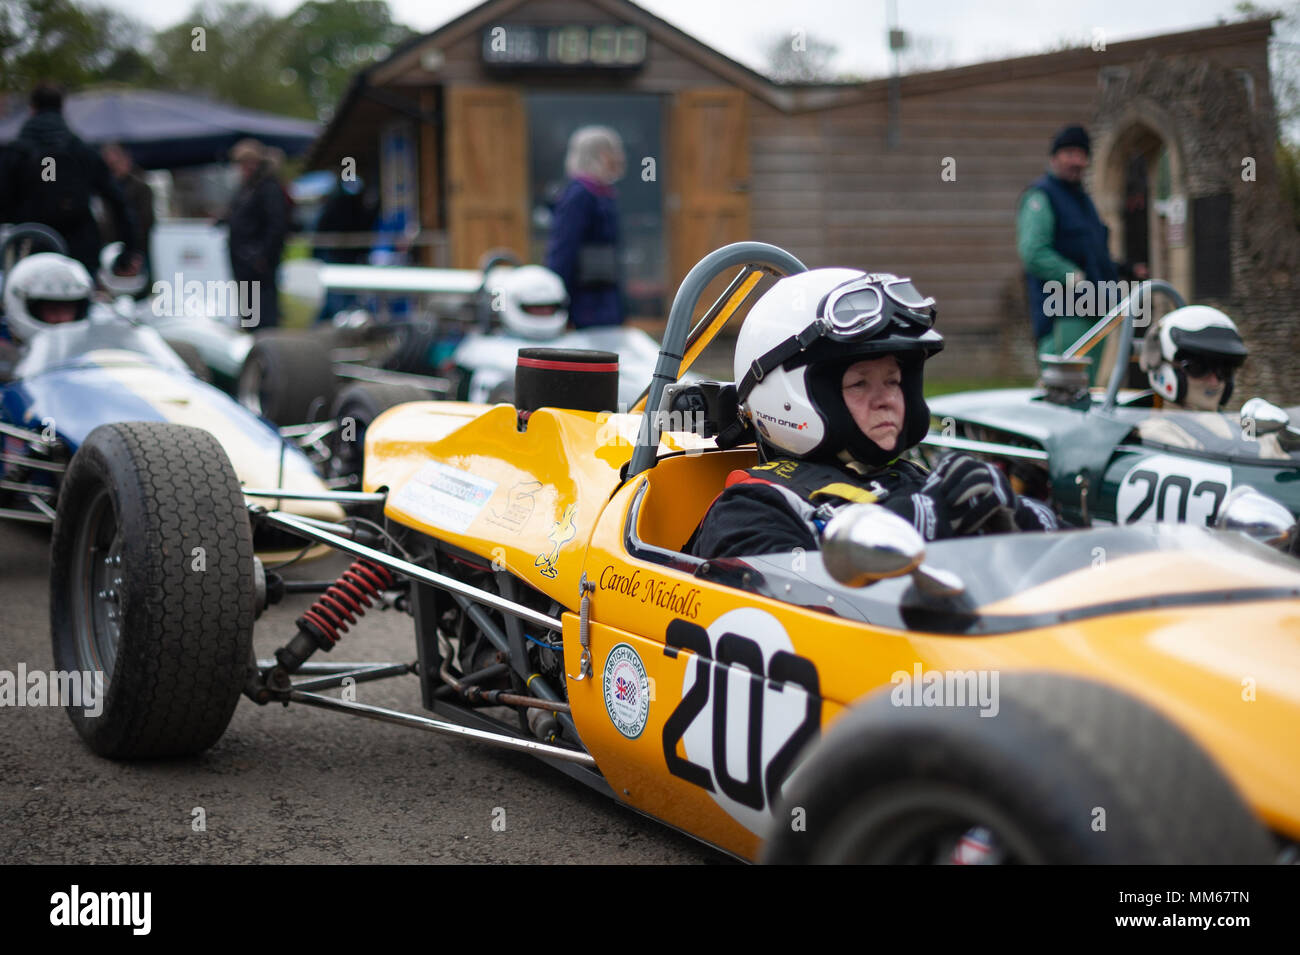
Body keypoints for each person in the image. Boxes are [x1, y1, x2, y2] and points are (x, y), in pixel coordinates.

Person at [687, 269, 1057, 560]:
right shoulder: (752, 508)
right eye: (860, 385)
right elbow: (788, 608)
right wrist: (923, 519)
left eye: (894, 382)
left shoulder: (915, 478)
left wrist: (1016, 515)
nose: (887, 401)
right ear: (788, 396)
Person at [1017, 125, 1147, 370]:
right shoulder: (1041, 197)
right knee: (1065, 388)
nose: (1076, 161)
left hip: (1096, 311)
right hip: (1063, 313)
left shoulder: (1084, 201)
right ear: (1054, 157)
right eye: (1069, 153)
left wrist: (1126, 269)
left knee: (1087, 389)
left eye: (1081, 154)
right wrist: (1073, 277)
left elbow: (1094, 254)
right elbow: (1033, 253)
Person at [0, 84, 141, 282]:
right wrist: (128, 252)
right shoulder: (83, 151)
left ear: (32, 108)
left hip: (28, 248)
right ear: (62, 108)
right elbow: (119, 202)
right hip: (79, 251)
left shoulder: (14, 153)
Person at [545, 126, 625, 329]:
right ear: (600, 155)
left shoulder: (602, 194)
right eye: (613, 152)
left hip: (603, 297)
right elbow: (563, 250)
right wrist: (556, 303)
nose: (619, 158)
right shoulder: (579, 195)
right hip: (585, 303)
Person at [222, 138, 288, 328]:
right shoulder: (248, 188)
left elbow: (277, 224)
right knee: (249, 307)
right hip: (244, 259)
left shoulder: (268, 187)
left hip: (258, 261)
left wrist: (263, 255)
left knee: (263, 309)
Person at [1139, 305, 1247, 411]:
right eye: (1198, 368)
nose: (1214, 382)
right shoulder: (1156, 427)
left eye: (1225, 370)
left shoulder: (1229, 424)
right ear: (1164, 369)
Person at [100, 142, 154, 296]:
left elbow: (145, 222)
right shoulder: (105, 187)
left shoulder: (140, 188)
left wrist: (135, 250)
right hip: (110, 250)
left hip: (133, 250)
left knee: (136, 290)